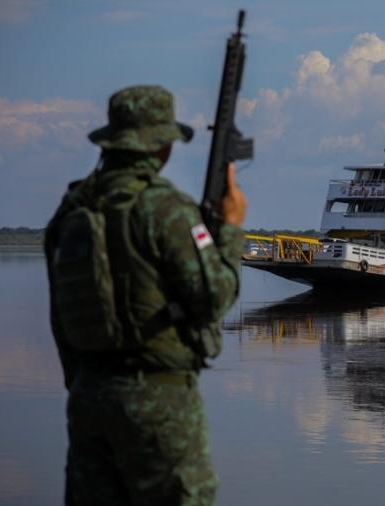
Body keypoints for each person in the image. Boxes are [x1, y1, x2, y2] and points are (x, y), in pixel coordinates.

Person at [44, 85, 246, 506]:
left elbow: (60, 320)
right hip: (160, 401)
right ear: (161, 147)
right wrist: (228, 228)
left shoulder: (69, 213)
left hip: (87, 400)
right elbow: (214, 297)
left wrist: (84, 385)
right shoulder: (165, 209)